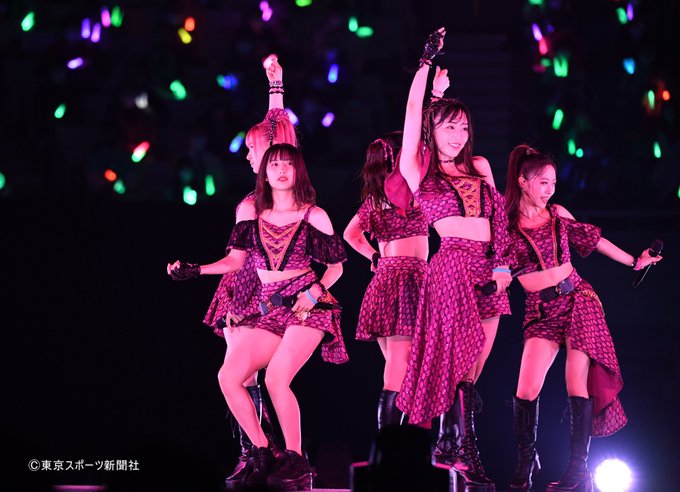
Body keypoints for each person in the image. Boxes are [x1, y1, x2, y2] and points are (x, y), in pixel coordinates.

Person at [168, 143, 348, 491]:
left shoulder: (313, 215)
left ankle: (297, 461)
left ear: (298, 171)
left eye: (288, 164)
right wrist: (196, 269)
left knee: (277, 379)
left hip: (307, 305)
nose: (281, 170)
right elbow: (235, 261)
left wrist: (314, 292)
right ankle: (264, 452)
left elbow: (336, 267)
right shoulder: (253, 213)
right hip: (271, 309)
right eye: (274, 164)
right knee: (229, 376)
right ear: (264, 173)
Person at [385, 28, 513, 491]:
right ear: (432, 131)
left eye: (463, 128)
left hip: (489, 271)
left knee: (473, 369)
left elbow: (500, 219)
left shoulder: (480, 167)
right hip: (451, 267)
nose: (457, 135)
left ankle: (450, 443)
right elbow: (412, 115)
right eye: (448, 127)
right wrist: (425, 64)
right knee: (459, 362)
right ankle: (464, 449)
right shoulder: (419, 171)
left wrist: (503, 267)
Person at [503, 144, 661, 492]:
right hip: (540, 310)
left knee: (576, 383)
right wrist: (497, 278)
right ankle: (526, 463)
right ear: (523, 182)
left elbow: (595, 240)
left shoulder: (558, 214)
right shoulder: (507, 224)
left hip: (578, 301)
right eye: (543, 182)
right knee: (525, 390)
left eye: (553, 182)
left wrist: (635, 261)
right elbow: (499, 263)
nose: (550, 189)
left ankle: (578, 470)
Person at [343, 131, 429, 431]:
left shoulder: (382, 199)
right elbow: (350, 235)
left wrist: (374, 256)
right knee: (400, 368)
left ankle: (403, 445)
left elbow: (350, 234)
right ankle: (389, 449)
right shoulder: (401, 196)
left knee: (407, 370)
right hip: (402, 281)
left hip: (399, 279)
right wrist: (374, 256)